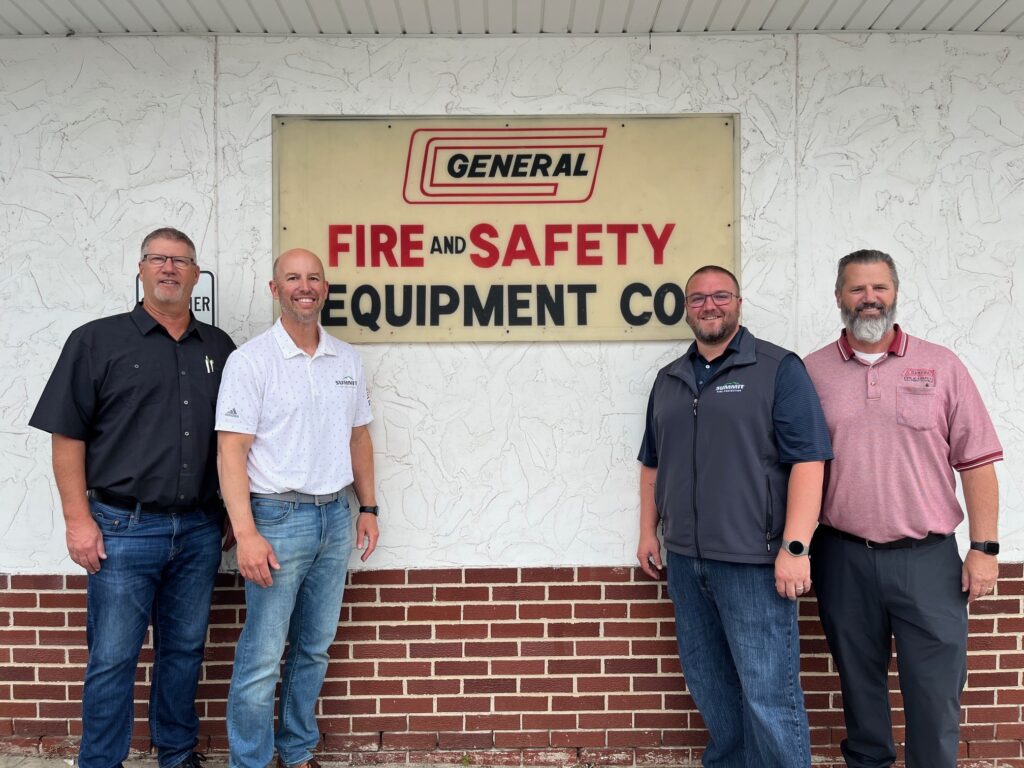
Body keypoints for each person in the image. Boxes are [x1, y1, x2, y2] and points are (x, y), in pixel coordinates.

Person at [28, 228, 235, 768]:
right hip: (121, 527)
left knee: (184, 653)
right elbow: (67, 437)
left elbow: (236, 442)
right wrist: (79, 520)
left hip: (198, 529)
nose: (169, 268)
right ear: (140, 269)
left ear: (196, 274)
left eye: (181, 261)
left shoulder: (219, 347)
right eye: (158, 259)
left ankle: (176, 753)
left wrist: (236, 514)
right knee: (114, 657)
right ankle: (100, 761)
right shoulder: (96, 341)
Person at [804, 249, 1002, 768]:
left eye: (879, 288)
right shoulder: (811, 372)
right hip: (843, 557)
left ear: (895, 293)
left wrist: (983, 549)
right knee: (861, 695)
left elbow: (977, 461)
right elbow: (796, 469)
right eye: (856, 289)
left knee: (935, 698)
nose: (869, 299)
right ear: (838, 297)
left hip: (929, 560)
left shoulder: (941, 365)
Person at [636, 265, 833, 767]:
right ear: (686, 309)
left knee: (769, 695)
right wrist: (647, 533)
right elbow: (653, 463)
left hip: (754, 563)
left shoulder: (777, 368)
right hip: (685, 560)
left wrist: (795, 547)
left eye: (720, 295)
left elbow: (809, 460)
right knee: (712, 688)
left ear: (739, 303)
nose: (710, 305)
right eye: (698, 298)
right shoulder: (669, 380)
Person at [217, 247, 380, 768]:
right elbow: (231, 451)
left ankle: (296, 748)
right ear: (274, 289)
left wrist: (369, 507)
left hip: (335, 518)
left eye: (313, 278)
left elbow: (359, 439)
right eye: (292, 278)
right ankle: (251, 760)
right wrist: (245, 533)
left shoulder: (346, 360)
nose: (304, 286)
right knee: (264, 655)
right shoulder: (251, 362)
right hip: (276, 520)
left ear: (324, 289)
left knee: (313, 647)